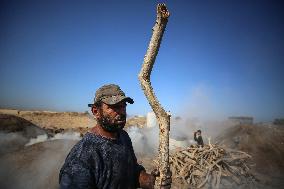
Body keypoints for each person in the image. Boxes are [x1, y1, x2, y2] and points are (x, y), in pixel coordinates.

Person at [59, 84, 171, 189]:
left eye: (123, 106)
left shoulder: (123, 137)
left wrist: (149, 181)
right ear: (96, 111)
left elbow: (131, 172)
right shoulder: (81, 158)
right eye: (114, 107)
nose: (122, 112)